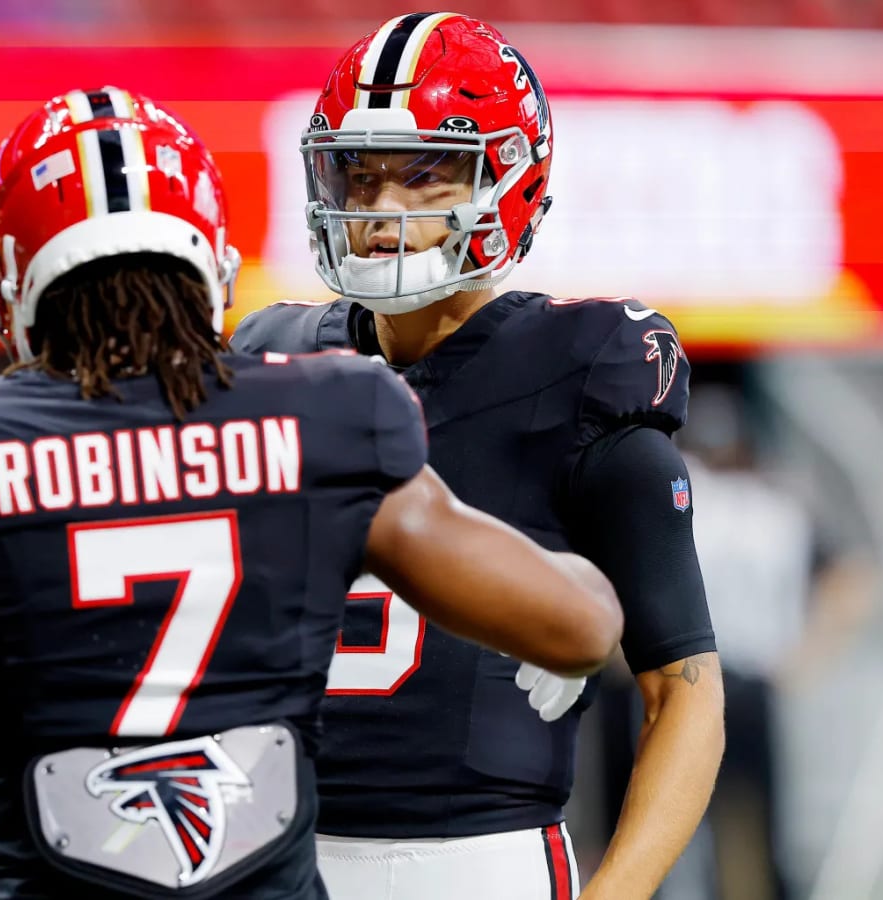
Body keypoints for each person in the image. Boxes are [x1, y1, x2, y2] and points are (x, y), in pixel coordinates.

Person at [0, 87, 621, 900]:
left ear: (13, 285)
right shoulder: (328, 416)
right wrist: (578, 568)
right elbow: (576, 625)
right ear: (211, 269)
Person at [230, 13, 724, 900]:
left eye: (425, 175)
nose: (381, 211)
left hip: (477, 862)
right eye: (360, 171)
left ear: (511, 178)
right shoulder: (272, 358)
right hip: (274, 850)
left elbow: (685, 694)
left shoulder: (582, 368)